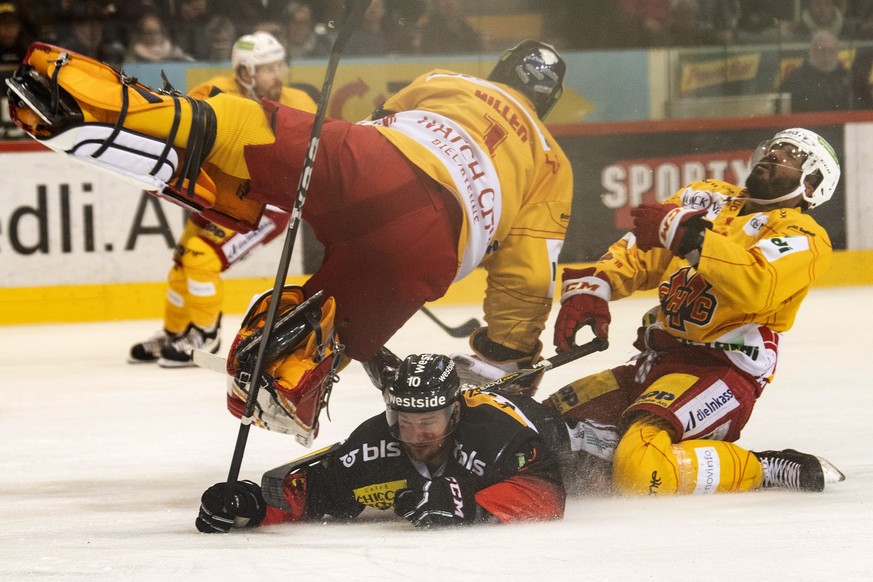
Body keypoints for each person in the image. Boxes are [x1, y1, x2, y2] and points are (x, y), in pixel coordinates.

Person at [8, 39, 572, 441]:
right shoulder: (551, 159)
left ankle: (134, 113)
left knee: (238, 128)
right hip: (430, 248)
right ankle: (279, 376)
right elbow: (527, 277)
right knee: (306, 347)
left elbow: (380, 122)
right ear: (549, 102)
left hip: (372, 164)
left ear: (498, 69)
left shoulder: (451, 82)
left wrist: (339, 188)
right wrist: (507, 357)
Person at [545, 128, 845, 496]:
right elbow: (641, 252)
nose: (776, 154)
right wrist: (596, 286)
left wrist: (696, 240)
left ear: (812, 185)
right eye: (775, 147)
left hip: (722, 371)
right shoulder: (706, 197)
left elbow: (757, 285)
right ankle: (616, 447)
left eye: (794, 155)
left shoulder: (805, 235)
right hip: (655, 362)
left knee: (642, 472)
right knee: (543, 428)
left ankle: (757, 467)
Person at [194, 353, 568, 532]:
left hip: (562, 433)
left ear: (455, 415)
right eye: (404, 422)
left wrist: (471, 505)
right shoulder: (374, 443)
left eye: (427, 422)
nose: (415, 435)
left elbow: (548, 489)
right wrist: (252, 504)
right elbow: (317, 487)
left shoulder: (496, 436)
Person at [128, 31, 317, 367]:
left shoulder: (300, 103)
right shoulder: (213, 92)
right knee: (183, 261)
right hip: (219, 194)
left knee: (202, 258)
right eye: (268, 69)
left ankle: (205, 334)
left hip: (266, 204)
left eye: (278, 66)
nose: (278, 75)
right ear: (246, 72)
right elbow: (182, 129)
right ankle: (175, 333)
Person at [779, 30, 851, 113]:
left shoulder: (848, 78)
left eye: (831, 51)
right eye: (822, 50)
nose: (827, 56)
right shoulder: (795, 80)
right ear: (812, 51)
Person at [124, 11, 193, 63]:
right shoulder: (133, 56)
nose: (154, 36)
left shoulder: (174, 52)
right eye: (149, 33)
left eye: (157, 32)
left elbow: (191, 63)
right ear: (141, 35)